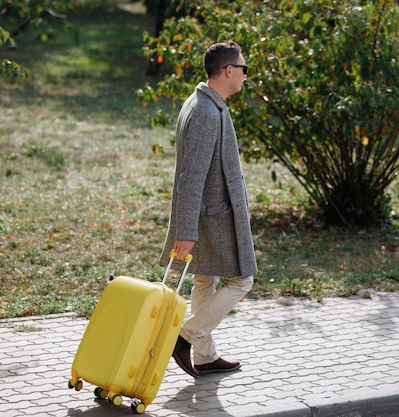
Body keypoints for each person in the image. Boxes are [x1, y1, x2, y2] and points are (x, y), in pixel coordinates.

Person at [159, 40, 258, 378]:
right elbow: (190, 177)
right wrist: (185, 232)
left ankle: (203, 355)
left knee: (205, 280)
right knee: (242, 281)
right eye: (244, 69)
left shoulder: (203, 103)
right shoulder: (204, 113)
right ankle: (185, 337)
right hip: (212, 218)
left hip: (209, 215)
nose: (246, 76)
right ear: (229, 70)